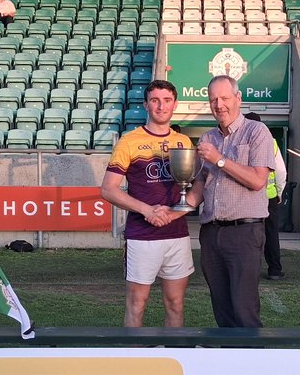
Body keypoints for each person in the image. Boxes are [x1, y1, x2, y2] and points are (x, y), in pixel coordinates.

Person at [101, 80, 195, 327]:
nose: (161, 106)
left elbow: (196, 189)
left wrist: (174, 213)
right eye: (155, 100)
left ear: (174, 104)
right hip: (143, 235)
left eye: (166, 100)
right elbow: (108, 189)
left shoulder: (184, 143)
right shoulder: (129, 141)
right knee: (137, 303)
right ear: (145, 105)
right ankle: (133, 361)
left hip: (176, 235)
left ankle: (174, 356)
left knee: (176, 303)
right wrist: (147, 210)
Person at [187, 75, 276, 328]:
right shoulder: (208, 138)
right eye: (213, 99)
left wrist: (219, 159)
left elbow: (258, 181)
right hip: (211, 232)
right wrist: (173, 210)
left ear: (238, 98)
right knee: (221, 308)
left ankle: (249, 364)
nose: (219, 105)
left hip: (244, 232)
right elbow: (200, 185)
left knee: (244, 308)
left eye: (225, 98)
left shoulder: (257, 131)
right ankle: (227, 363)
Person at [245, 112, 287, 280]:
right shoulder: (272, 143)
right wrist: (279, 191)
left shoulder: (241, 142)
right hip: (269, 197)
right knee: (270, 233)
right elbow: (281, 171)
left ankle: (248, 270)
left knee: (248, 233)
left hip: (248, 195)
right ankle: (274, 269)